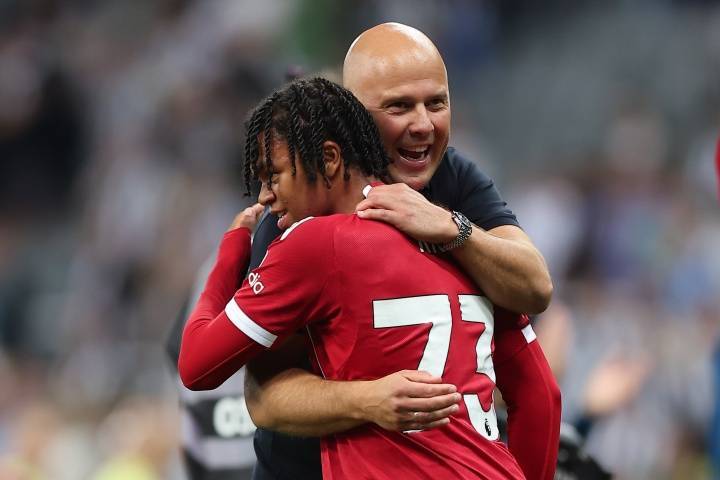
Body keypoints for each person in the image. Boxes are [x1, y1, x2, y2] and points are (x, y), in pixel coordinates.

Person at [243, 23, 560, 480]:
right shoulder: (297, 210)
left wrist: (452, 229)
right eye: (399, 106)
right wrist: (369, 400)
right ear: (351, 115)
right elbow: (264, 397)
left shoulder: (451, 181)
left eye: (437, 103)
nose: (423, 125)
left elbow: (535, 287)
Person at [179, 76, 534, 479]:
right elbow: (541, 394)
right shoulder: (464, 241)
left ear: (330, 159)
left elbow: (197, 366)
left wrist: (231, 251)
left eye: (273, 175)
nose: (264, 195)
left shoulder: (313, 243)